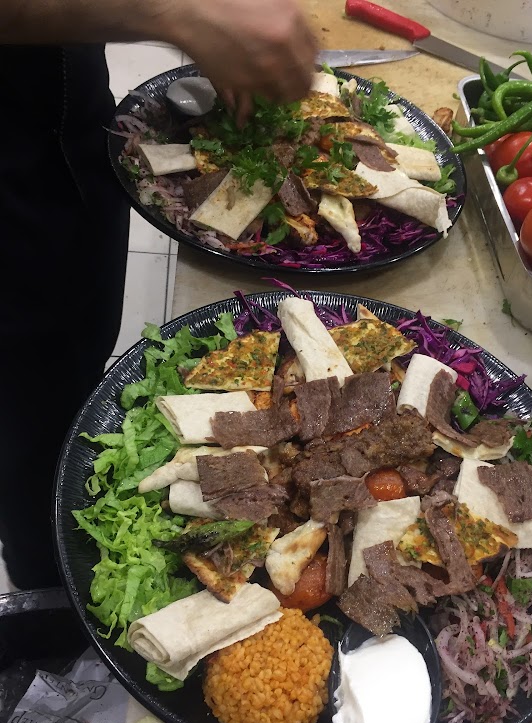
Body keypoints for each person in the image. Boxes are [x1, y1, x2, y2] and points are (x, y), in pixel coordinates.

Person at [0, 0, 316, 589]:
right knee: (28, 399)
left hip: (64, 94)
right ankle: (47, 581)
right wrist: (175, 12)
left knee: (81, 347)